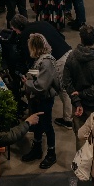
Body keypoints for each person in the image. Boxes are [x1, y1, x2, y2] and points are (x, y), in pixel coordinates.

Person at [21, 33, 60, 169]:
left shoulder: (47, 62)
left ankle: (51, 153)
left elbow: (42, 86)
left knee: (47, 125)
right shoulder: (40, 60)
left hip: (44, 99)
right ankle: (37, 149)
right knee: (37, 124)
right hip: (37, 99)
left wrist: (28, 84)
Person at [62, 24, 94, 135]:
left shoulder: (71, 57)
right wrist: (83, 94)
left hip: (78, 106)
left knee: (80, 139)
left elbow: (67, 82)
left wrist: (77, 100)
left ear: (81, 38)